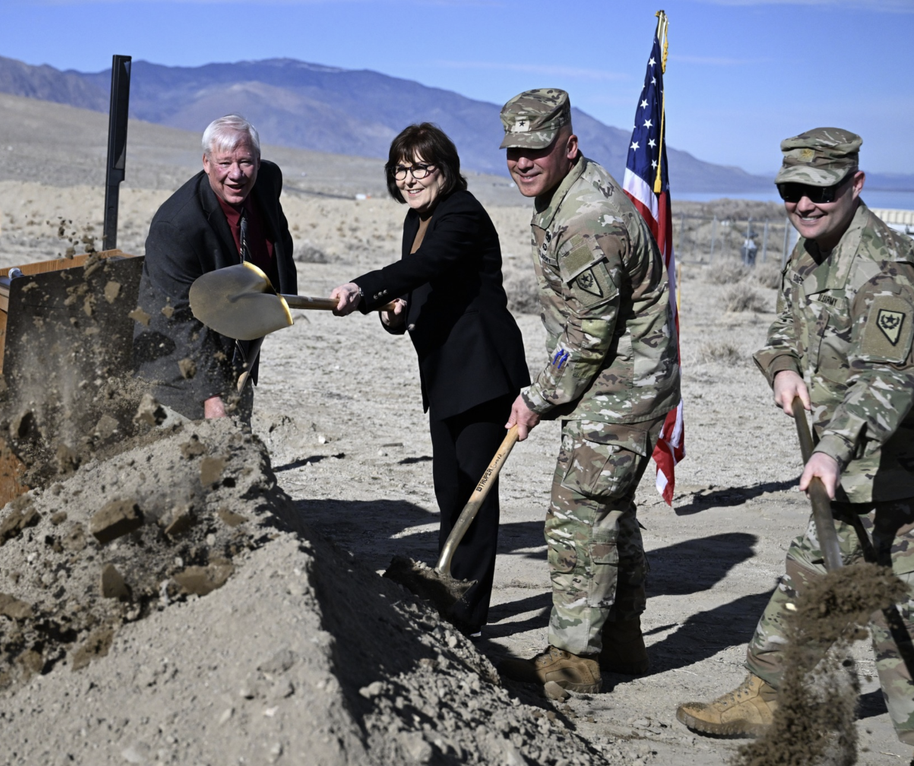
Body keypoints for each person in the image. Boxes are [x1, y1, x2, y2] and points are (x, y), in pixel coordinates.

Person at [677, 128, 914, 741]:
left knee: (899, 632)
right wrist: (782, 370)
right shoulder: (807, 253)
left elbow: (888, 382)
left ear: (855, 185)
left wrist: (832, 450)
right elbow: (784, 328)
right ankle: (767, 692)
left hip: (895, 476)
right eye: (790, 190)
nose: (803, 204)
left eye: (819, 191)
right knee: (811, 573)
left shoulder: (887, 269)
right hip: (845, 472)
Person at [495, 89, 680, 692]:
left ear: (567, 145)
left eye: (536, 150)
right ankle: (622, 640)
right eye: (513, 151)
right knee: (609, 508)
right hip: (615, 374)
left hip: (624, 380)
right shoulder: (563, 196)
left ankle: (574, 658)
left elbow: (589, 336)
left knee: (577, 510)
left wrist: (538, 398)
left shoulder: (587, 220)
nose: (522, 162)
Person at [329, 123, 530, 635]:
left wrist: (362, 286)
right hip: (446, 375)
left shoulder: (461, 213)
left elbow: (429, 264)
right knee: (451, 489)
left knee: (475, 495)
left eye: (421, 167)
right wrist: (393, 311)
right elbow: (418, 287)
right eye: (402, 168)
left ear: (446, 169)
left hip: (482, 372)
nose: (410, 178)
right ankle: (450, 594)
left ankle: (467, 615)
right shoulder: (417, 219)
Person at [134, 115, 295, 422]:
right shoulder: (177, 226)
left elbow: (277, 235)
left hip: (236, 349)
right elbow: (178, 319)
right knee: (198, 457)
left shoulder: (267, 179)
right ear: (206, 162)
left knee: (238, 449)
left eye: (246, 162)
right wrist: (210, 396)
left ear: (259, 163)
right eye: (224, 163)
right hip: (180, 363)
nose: (236, 174)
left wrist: (281, 299)